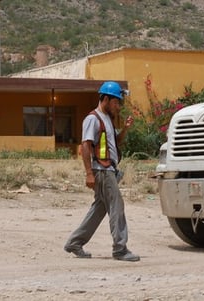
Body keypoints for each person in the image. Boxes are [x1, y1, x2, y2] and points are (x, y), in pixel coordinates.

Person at [64, 81, 140, 262]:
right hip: (102, 170)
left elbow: (116, 142)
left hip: (109, 169)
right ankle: (120, 249)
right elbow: (85, 145)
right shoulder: (93, 119)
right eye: (116, 102)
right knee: (117, 205)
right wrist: (89, 173)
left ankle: (75, 242)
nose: (118, 105)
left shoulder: (107, 119)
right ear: (105, 98)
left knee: (99, 209)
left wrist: (126, 129)